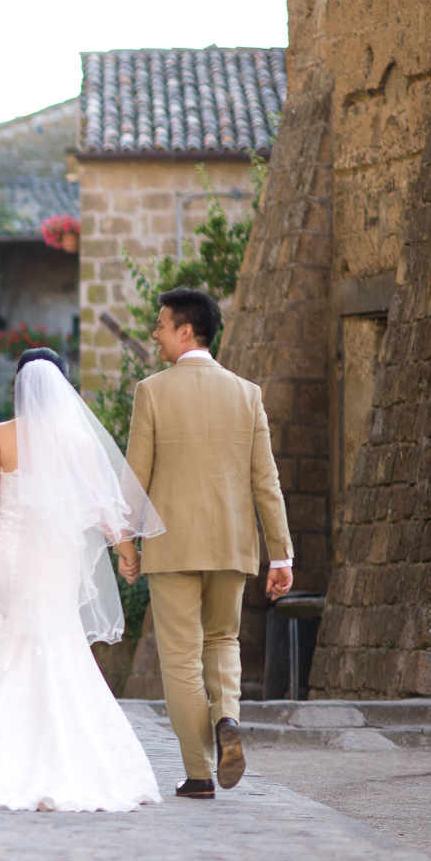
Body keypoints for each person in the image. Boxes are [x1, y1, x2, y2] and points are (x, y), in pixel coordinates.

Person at [0, 349, 164, 811]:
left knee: (5, 640)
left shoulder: (0, 435)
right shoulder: (79, 440)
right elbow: (103, 506)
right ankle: (66, 754)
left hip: (9, 551)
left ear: (19, 388)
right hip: (56, 556)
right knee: (55, 640)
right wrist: (127, 551)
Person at [122, 288, 294, 798]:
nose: (154, 334)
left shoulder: (152, 392)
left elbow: (135, 479)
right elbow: (266, 482)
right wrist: (281, 555)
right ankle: (227, 721)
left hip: (171, 546)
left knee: (180, 660)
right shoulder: (248, 394)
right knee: (222, 641)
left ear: (184, 331)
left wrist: (125, 543)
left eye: (160, 325)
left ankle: (198, 774)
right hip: (231, 544)